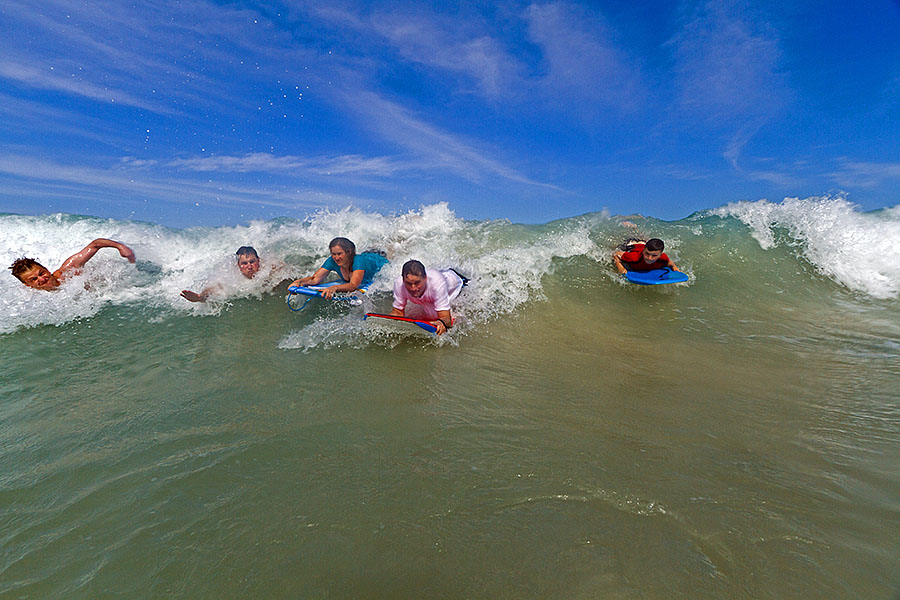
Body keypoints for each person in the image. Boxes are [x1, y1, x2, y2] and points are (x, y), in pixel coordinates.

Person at [9, 238, 136, 290]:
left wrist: (120, 247)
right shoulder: (32, 298)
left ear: (46, 269)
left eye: (41, 273)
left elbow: (95, 244)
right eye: (34, 279)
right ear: (28, 285)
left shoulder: (67, 271)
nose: (42, 279)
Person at [289, 237, 388, 299]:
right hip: (367, 257)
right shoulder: (332, 261)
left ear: (348, 252)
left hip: (378, 260)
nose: (336, 258)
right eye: (333, 254)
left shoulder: (359, 261)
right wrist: (299, 282)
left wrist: (334, 288)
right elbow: (315, 279)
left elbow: (353, 285)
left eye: (339, 254)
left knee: (385, 254)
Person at [389, 260, 467, 335]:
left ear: (425, 278)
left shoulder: (437, 285)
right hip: (440, 278)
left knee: (456, 315)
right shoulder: (399, 284)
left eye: (417, 283)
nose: (413, 288)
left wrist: (441, 322)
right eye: (409, 283)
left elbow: (446, 319)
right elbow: (398, 311)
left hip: (459, 283)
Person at [181, 246, 262, 302]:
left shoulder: (268, 270)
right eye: (244, 263)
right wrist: (199, 297)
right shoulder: (233, 279)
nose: (249, 266)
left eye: (252, 262)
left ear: (258, 260)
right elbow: (213, 288)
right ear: (238, 265)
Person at [613, 238, 681, 274]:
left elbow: (669, 263)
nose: (649, 258)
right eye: (647, 254)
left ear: (660, 255)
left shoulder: (663, 258)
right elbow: (616, 254)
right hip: (632, 245)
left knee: (644, 240)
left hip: (644, 244)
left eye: (654, 256)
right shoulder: (634, 257)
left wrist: (674, 267)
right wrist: (620, 267)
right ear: (644, 251)